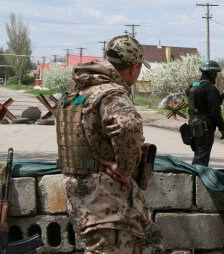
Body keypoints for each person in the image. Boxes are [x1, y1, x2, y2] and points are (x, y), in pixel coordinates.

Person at [56, 35, 164, 253]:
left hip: (83, 199)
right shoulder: (111, 92)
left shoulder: (76, 92)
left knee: (150, 241)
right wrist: (125, 170)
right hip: (108, 203)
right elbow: (128, 126)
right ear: (134, 68)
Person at [186, 60, 224, 166]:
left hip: (193, 125)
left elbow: (200, 101)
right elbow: (215, 111)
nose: (216, 76)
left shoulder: (194, 85)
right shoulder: (211, 89)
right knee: (202, 159)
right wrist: (222, 128)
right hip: (204, 128)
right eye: (216, 74)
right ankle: (198, 180)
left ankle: (194, 179)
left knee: (197, 154)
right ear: (212, 74)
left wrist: (219, 97)